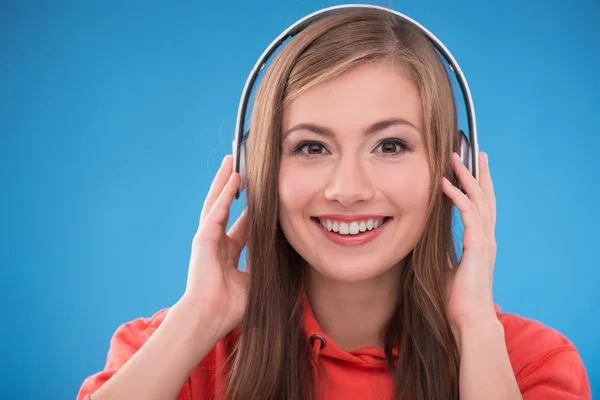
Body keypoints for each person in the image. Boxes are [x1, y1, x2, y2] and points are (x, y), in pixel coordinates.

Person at [77, 6, 591, 400]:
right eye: (311, 147)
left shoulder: (529, 364)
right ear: (256, 171)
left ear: (453, 165)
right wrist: (198, 320)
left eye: (390, 146)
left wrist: (476, 325)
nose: (348, 189)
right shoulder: (176, 351)